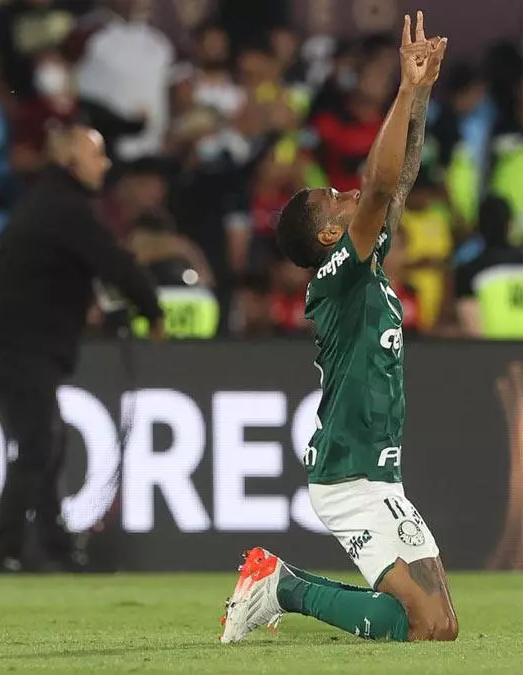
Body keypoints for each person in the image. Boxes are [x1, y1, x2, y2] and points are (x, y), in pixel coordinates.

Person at [222, 14, 456, 644]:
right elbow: (378, 184)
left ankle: (280, 583)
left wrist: (422, 93)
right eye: (336, 198)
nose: (350, 195)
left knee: (440, 627)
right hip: (350, 476)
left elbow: (397, 180)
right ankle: (281, 587)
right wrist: (402, 89)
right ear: (329, 234)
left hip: (377, 472)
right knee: (425, 626)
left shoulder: (362, 268)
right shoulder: (337, 275)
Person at [0, 125, 164, 573]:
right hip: (23, 345)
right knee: (38, 445)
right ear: (70, 161)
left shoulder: (44, 203)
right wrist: (151, 308)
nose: (105, 164)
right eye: (96, 155)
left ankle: (53, 548)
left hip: (14, 342)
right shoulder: (65, 209)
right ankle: (5, 553)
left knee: (46, 443)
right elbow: (112, 261)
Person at [454, 196, 523, 338]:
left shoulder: (469, 272)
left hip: (491, 349)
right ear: (509, 224)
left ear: (478, 226)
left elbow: (471, 328)